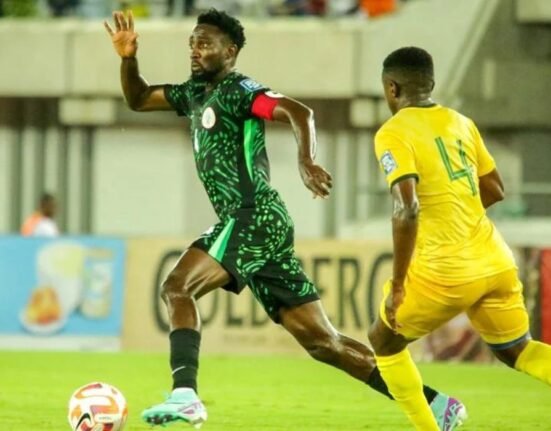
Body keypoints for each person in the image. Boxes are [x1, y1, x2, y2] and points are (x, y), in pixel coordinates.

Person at [104, 11, 465, 429]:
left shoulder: (240, 91)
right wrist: (128, 58)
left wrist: (306, 160)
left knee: (176, 287)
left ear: (230, 51)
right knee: (324, 343)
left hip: (252, 215)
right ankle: (438, 406)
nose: (195, 50)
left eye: (205, 43)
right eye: (192, 43)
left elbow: (298, 111)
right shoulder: (194, 94)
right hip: (259, 224)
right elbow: (138, 98)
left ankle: (185, 394)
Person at [368, 46, 551, 431]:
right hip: (495, 261)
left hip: (445, 272)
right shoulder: (461, 122)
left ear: (391, 88)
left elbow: (407, 209)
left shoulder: (393, 132)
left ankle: (428, 427)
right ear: (431, 84)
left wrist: (398, 284)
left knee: (383, 341)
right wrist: (459, 215)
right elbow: (495, 189)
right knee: (518, 350)